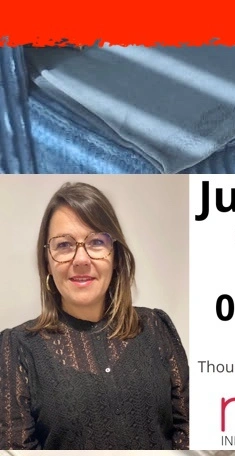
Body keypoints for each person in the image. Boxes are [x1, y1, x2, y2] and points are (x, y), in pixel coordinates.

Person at [0, 182, 188, 449]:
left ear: (116, 256)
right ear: (47, 262)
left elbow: (192, 430)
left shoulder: (156, 327)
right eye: (64, 245)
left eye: (96, 242)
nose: (81, 259)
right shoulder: (17, 349)